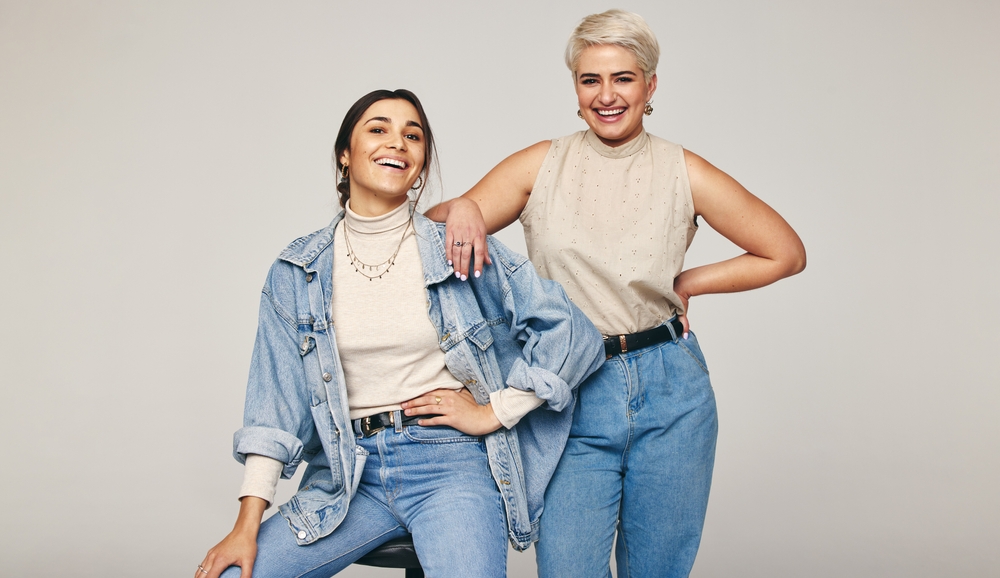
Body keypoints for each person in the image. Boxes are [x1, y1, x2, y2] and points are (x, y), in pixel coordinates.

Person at [425, 9, 807, 578]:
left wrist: (689, 283)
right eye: (591, 80)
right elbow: (431, 234)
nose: (606, 95)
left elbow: (785, 252)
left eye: (623, 78)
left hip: (671, 389)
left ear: (650, 87)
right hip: (569, 389)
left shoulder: (683, 170)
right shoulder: (540, 165)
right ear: (576, 89)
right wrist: (462, 205)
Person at [195, 89, 604, 578]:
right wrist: (245, 526)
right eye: (378, 129)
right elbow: (273, 409)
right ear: (344, 155)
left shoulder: (455, 247)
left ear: (421, 165)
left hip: (449, 466)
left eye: (413, 136)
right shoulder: (297, 270)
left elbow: (572, 334)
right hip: (350, 474)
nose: (398, 143)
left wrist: (494, 411)